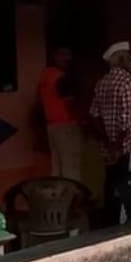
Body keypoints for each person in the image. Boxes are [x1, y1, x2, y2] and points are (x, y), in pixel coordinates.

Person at [89, 41, 131, 223]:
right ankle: (123, 224)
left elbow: (94, 115)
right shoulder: (127, 82)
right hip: (127, 145)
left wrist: (108, 140)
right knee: (128, 182)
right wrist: (117, 144)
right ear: (123, 60)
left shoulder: (101, 83)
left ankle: (109, 221)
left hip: (108, 146)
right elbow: (127, 118)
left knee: (110, 183)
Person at [37, 46, 83, 182]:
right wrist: (81, 121)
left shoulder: (45, 77)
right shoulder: (62, 78)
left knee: (57, 167)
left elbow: (40, 103)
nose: (67, 59)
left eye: (68, 55)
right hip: (67, 126)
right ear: (54, 56)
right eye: (63, 55)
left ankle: (58, 201)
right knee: (71, 168)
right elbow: (70, 104)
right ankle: (73, 201)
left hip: (52, 126)